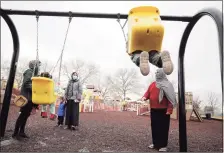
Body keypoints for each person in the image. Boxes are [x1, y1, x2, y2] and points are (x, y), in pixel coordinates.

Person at [141, 68, 177, 152]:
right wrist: (144, 97)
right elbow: (148, 92)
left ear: (162, 74)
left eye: (158, 72)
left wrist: (169, 109)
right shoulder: (153, 84)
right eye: (156, 72)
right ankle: (155, 143)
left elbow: (170, 98)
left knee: (163, 128)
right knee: (155, 127)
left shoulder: (167, 85)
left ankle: (163, 145)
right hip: (154, 110)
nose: (156, 73)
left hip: (163, 111)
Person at [12, 60, 41, 140]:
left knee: (25, 116)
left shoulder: (34, 74)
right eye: (38, 65)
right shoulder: (29, 72)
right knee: (22, 115)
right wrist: (36, 89)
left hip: (30, 98)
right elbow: (26, 83)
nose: (39, 67)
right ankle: (15, 133)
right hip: (26, 98)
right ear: (34, 65)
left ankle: (21, 132)